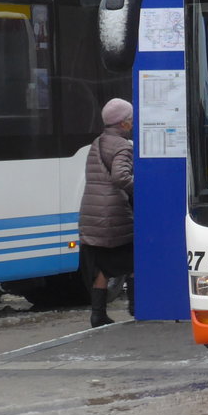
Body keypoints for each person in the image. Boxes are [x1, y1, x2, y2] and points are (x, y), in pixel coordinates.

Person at [78, 97, 135, 327]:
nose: (132, 123)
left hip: (92, 213)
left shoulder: (97, 142)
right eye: (130, 119)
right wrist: (141, 189)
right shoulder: (122, 146)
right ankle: (137, 306)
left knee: (102, 265)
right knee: (133, 259)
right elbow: (120, 176)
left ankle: (98, 313)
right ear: (123, 123)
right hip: (113, 215)